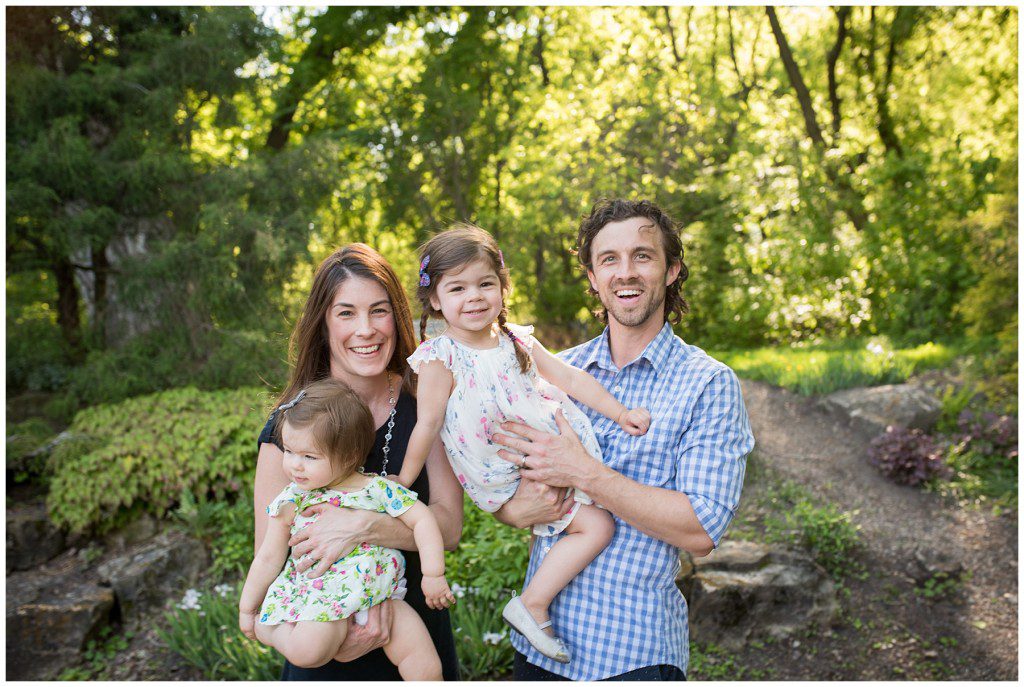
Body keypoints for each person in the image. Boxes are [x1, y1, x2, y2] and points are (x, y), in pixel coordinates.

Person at [492, 199, 755, 680]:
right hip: (537, 650)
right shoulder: (554, 371)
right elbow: (508, 487)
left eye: (643, 256)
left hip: (633, 652)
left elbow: (700, 530)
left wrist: (585, 473)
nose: (625, 273)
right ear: (593, 276)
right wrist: (512, 510)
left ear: (672, 270)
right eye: (609, 259)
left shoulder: (707, 383)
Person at [399, 223, 650, 663]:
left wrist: (621, 412)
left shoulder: (516, 339)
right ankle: (532, 604)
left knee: (580, 518)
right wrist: (401, 484)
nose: (474, 297)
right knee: (599, 525)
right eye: (457, 288)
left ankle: (542, 600)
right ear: (436, 300)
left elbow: (569, 378)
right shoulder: (442, 357)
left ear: (502, 287)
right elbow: (428, 424)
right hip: (505, 470)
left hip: (542, 454)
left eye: (485, 284)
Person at [253, 243, 463, 681]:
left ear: (397, 317)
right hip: (322, 636)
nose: (365, 330)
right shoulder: (289, 426)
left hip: (413, 631)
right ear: (324, 322)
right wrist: (339, 635)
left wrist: (364, 527)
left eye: (378, 311)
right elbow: (269, 553)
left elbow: (449, 528)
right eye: (346, 313)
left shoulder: (425, 404)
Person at [240, 379, 455, 678]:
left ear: (350, 455)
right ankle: (271, 628)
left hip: (383, 597)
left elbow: (423, 520)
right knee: (308, 651)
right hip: (323, 600)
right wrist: (248, 607)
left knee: (427, 666)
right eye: (289, 451)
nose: (294, 466)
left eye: (309, 456)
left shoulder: (378, 488)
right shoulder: (293, 500)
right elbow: (267, 556)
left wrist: (434, 574)